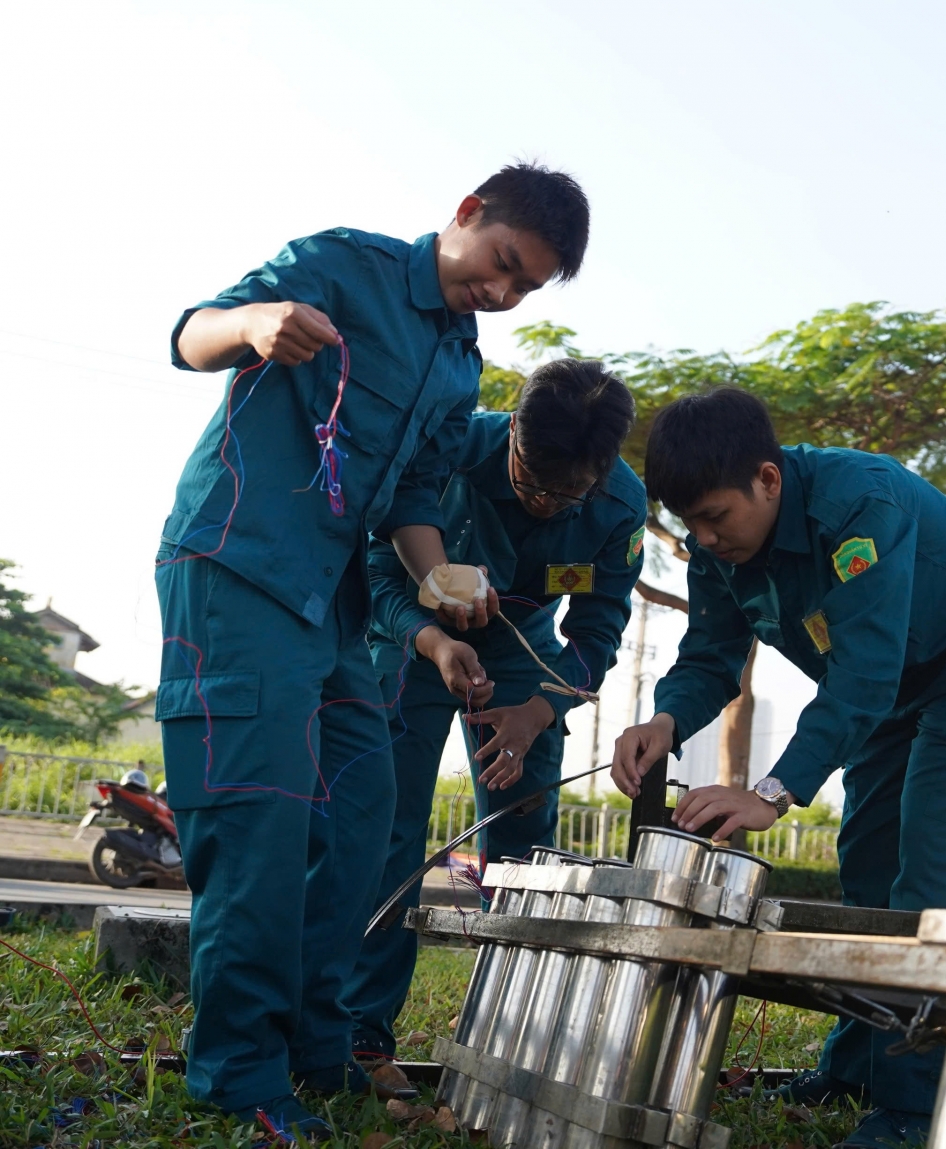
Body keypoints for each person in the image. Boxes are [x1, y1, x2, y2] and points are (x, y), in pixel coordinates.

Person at [154, 163, 589, 1138]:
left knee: (364, 823)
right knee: (259, 828)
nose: (504, 292)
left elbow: (410, 502)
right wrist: (255, 327)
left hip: (339, 612)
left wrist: (438, 580)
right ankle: (237, 1075)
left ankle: (316, 1045)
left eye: (526, 288)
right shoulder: (342, 266)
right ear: (469, 214)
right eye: (503, 265)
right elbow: (191, 333)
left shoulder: (459, 358)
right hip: (242, 568)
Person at [611, 388, 946, 1148]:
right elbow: (710, 655)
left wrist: (773, 792)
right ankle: (856, 1069)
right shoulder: (717, 552)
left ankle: (917, 1105)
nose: (707, 539)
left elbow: (866, 670)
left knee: (932, 873)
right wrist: (666, 720)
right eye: (692, 526)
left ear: (769, 480)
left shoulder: (856, 506)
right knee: (867, 867)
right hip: (882, 680)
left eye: (717, 517)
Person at [344, 358, 646, 1058]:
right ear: (511, 430)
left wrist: (539, 710)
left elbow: (596, 631)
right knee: (386, 828)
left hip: (525, 661)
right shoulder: (447, 451)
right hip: (411, 643)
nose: (545, 504)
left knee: (521, 846)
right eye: (532, 483)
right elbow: (378, 569)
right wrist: (432, 640)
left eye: (568, 496)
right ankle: (359, 1026)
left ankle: (507, 1034)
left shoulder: (620, 508)